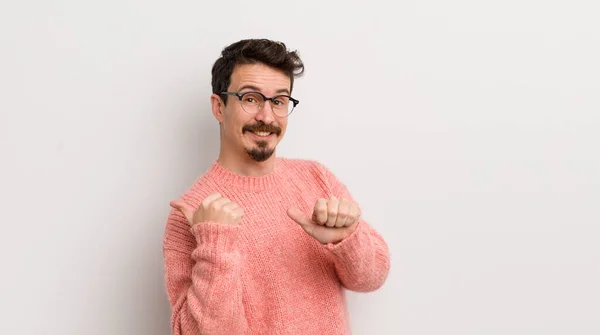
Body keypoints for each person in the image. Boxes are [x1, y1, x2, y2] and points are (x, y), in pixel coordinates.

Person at [162, 38, 390, 335]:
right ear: (219, 107)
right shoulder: (191, 215)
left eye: (279, 101)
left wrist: (348, 238)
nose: (266, 117)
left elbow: (372, 278)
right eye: (251, 98)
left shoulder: (316, 178)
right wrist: (215, 244)